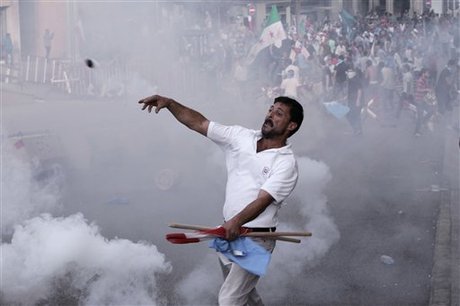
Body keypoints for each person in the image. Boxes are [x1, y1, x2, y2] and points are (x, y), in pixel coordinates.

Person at [138, 94, 303, 306]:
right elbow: (200, 123)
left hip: (256, 239)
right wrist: (170, 104)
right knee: (246, 295)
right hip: (229, 231)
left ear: (291, 126)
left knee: (229, 299)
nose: (270, 115)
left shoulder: (286, 163)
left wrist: (235, 223)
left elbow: (263, 200)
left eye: (278, 114)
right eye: (271, 109)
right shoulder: (241, 137)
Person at [346, 67, 363, 135]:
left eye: (350, 71)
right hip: (351, 100)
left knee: (353, 115)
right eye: (348, 71)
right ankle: (356, 130)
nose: (349, 73)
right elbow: (351, 91)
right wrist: (345, 97)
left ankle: (357, 130)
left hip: (355, 100)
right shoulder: (350, 80)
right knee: (351, 115)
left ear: (354, 73)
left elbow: (359, 90)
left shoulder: (355, 79)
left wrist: (358, 100)